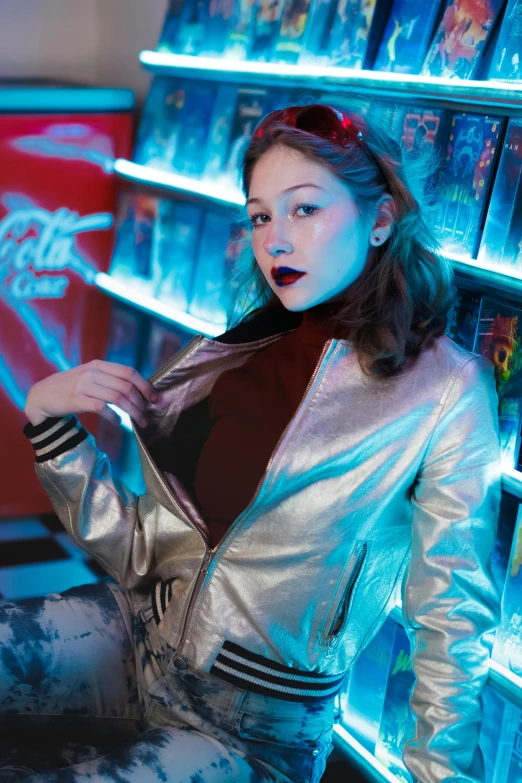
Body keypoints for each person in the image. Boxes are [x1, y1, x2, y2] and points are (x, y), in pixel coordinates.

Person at [11, 99, 502, 783]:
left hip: (254, 728)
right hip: (132, 638)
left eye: (305, 209)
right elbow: (142, 554)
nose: (274, 239)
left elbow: (453, 617)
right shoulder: (236, 352)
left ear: (382, 219)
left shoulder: (446, 389)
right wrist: (52, 425)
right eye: (262, 214)